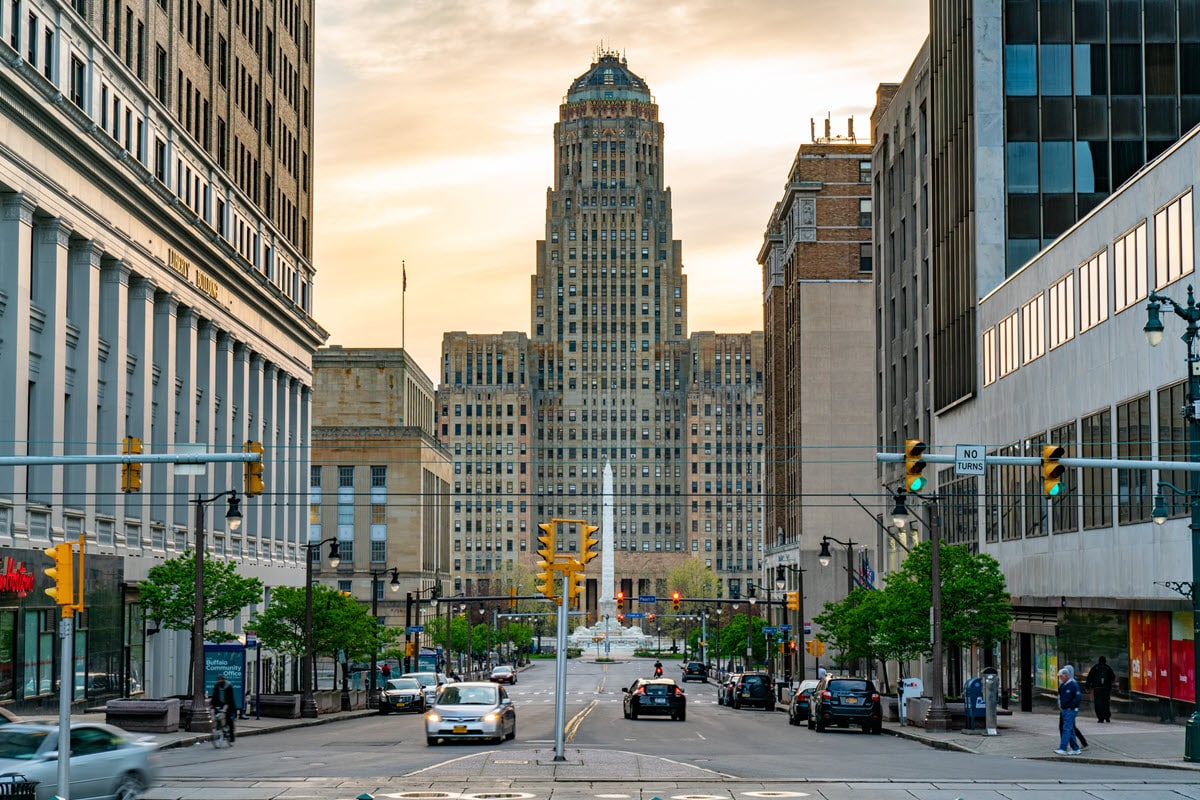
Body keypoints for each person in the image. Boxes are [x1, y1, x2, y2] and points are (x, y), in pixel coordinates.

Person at [1056, 665, 1081, 755]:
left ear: (1066, 676)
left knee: (1066, 728)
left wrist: (1071, 706)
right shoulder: (1063, 685)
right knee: (1070, 729)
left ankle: (1063, 748)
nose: (1060, 678)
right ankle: (1075, 748)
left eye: (1061, 676)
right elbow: (1060, 695)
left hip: (1070, 710)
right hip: (1065, 709)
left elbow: (1077, 697)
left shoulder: (1073, 685)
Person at [1086, 655, 1116, 722]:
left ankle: (1100, 717)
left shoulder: (1095, 668)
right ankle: (1107, 716)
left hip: (1097, 688)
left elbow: (1089, 678)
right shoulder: (1108, 668)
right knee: (1106, 703)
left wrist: (1087, 687)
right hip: (1106, 688)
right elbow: (1113, 677)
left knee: (1098, 703)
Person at [211, 675, 237, 744]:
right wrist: (212, 705)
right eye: (218, 680)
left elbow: (230, 697)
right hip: (220, 703)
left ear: (224, 680)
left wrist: (226, 706)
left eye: (221, 680)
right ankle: (218, 727)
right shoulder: (217, 686)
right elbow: (214, 696)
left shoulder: (228, 686)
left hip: (229, 704)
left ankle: (232, 736)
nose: (219, 681)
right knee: (216, 715)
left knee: (228, 719)